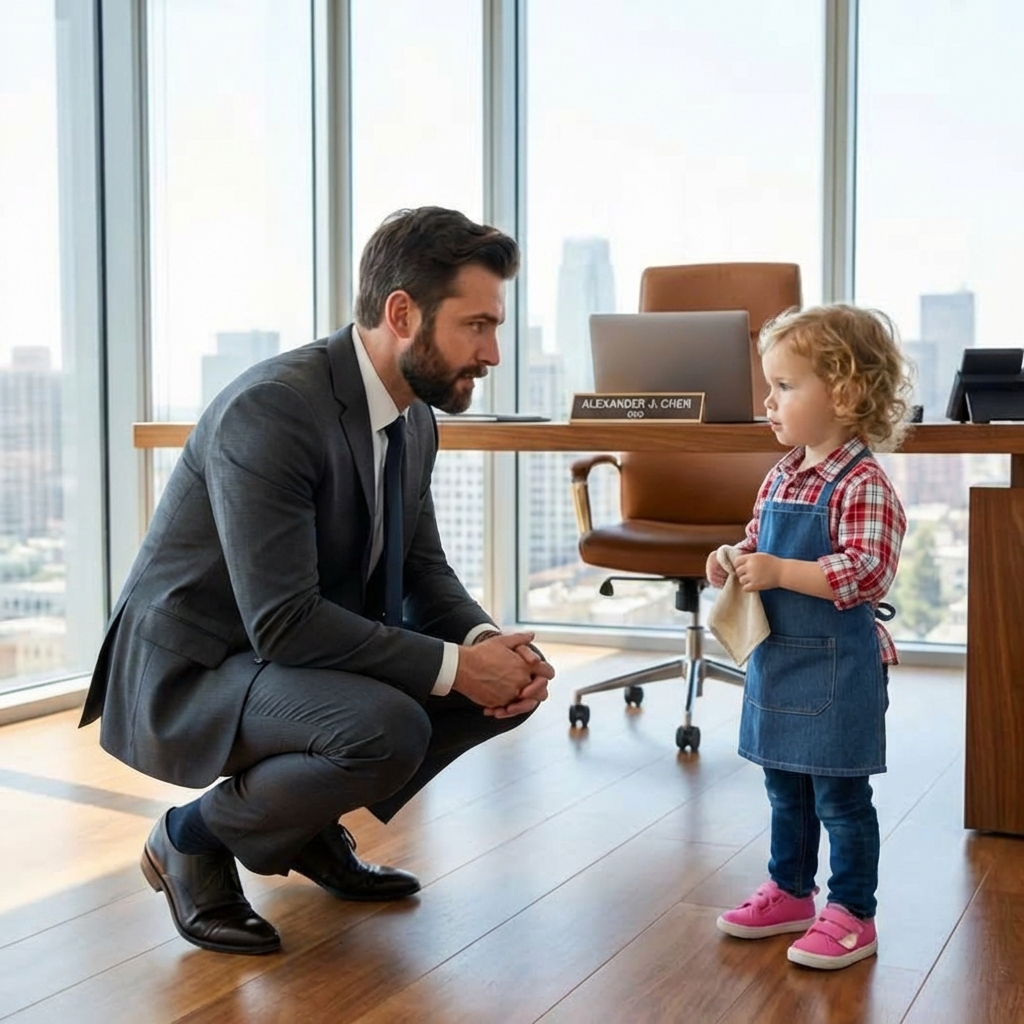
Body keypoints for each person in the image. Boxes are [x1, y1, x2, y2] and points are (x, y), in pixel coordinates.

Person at [79, 206, 555, 955]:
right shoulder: (275, 408)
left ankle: (302, 827)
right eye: (477, 325)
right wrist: (459, 666)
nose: (493, 352)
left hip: (285, 655)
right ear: (402, 313)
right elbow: (283, 621)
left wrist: (486, 642)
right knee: (388, 726)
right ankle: (190, 841)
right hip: (198, 668)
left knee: (502, 688)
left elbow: (422, 569)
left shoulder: (414, 417)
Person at [707, 304, 910, 971]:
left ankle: (853, 912)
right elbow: (759, 542)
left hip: (838, 669)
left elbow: (867, 571)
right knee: (783, 787)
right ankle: (792, 891)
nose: (769, 402)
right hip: (783, 660)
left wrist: (781, 570)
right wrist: (734, 558)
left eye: (785, 387)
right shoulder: (783, 473)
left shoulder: (864, 484)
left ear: (845, 393)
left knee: (841, 797)